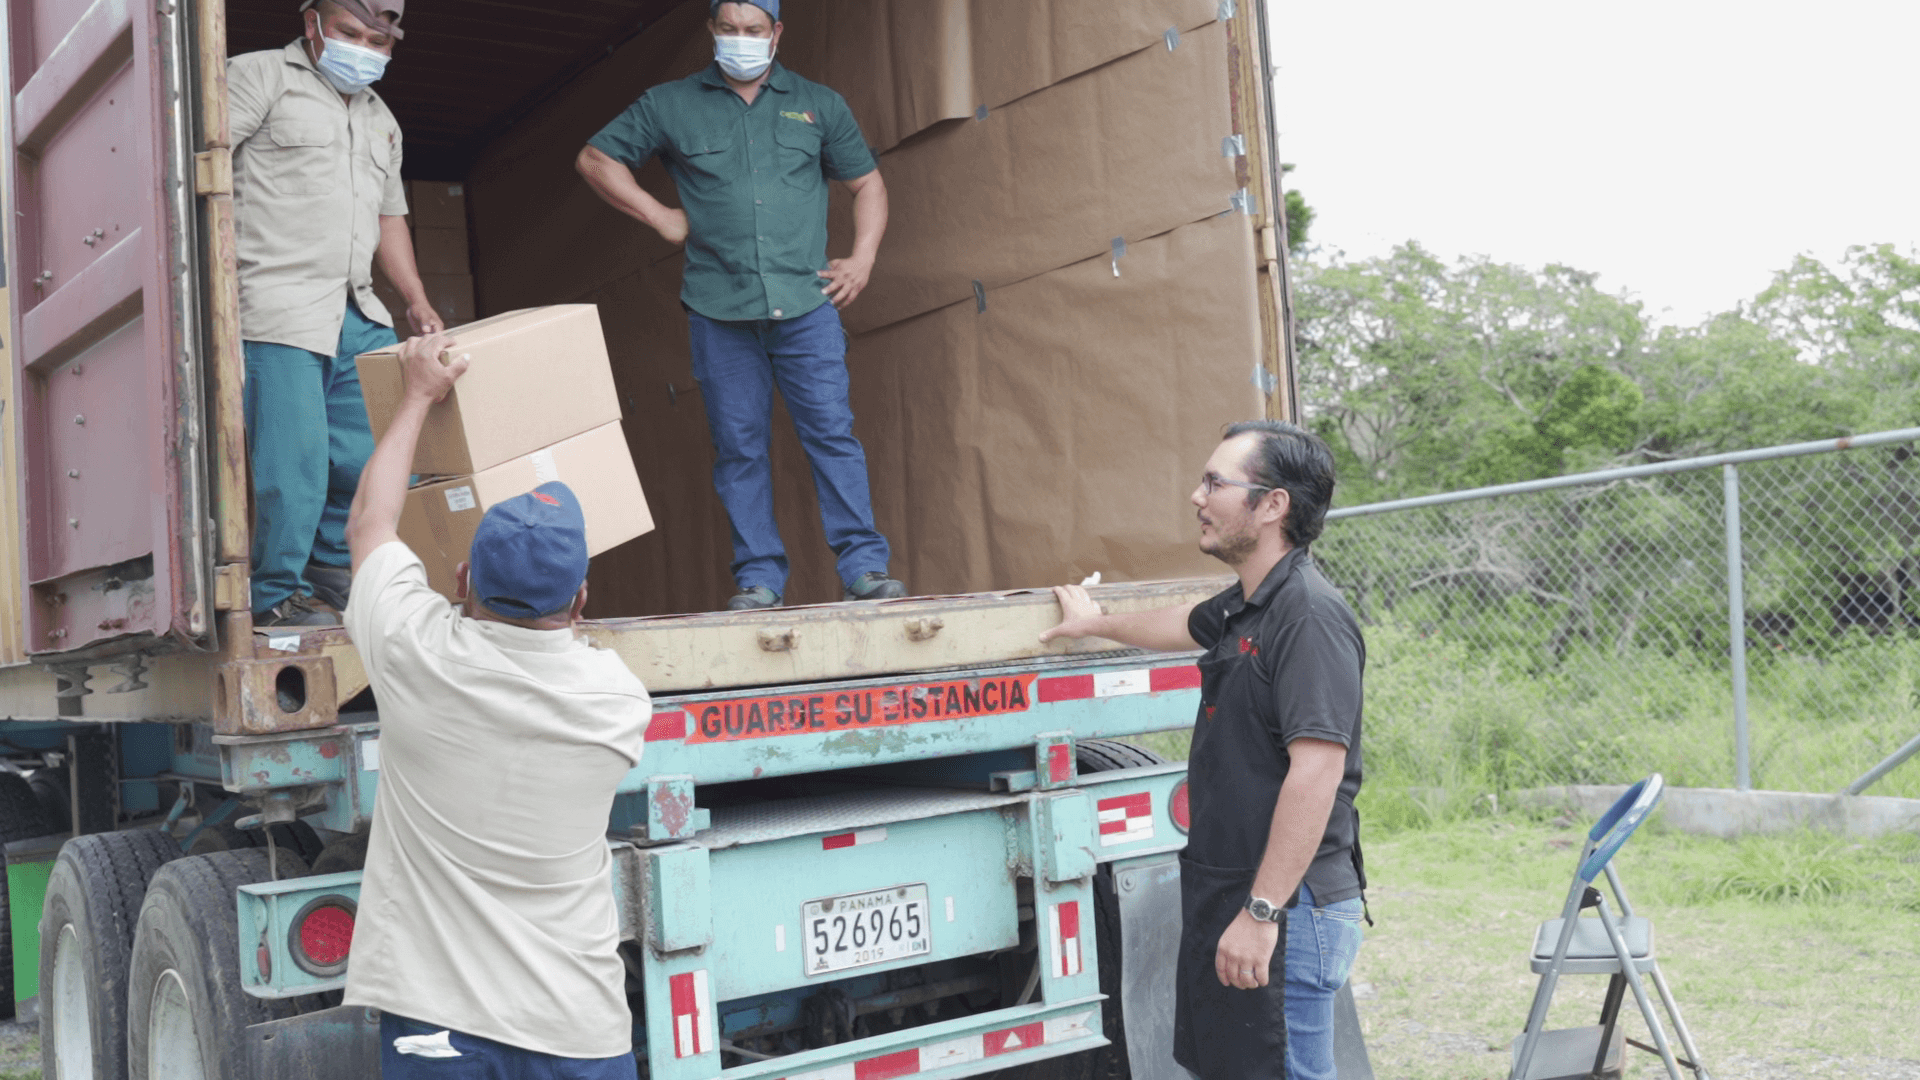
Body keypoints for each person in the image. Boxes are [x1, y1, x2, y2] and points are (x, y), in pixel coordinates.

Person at [341, 331, 651, 1075]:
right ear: (581, 601)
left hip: (439, 1027)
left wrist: (415, 396)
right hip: (579, 1030)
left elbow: (370, 527)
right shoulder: (616, 702)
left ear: (458, 580)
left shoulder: (416, 654)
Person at [1041, 421, 1367, 1080]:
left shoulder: (1308, 616)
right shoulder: (1251, 605)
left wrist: (1262, 912)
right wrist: (1095, 623)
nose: (1197, 495)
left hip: (1287, 908)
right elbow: (1184, 622)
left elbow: (1317, 772)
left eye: (1216, 482)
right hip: (1240, 895)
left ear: (1272, 505)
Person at [576, 0, 906, 611]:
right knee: (739, 446)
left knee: (832, 434)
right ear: (711, 31)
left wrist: (862, 258)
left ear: (777, 33)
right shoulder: (669, 103)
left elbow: (868, 183)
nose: (741, 40)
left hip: (805, 306)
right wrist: (661, 215)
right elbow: (596, 159)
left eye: (754, 30)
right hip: (718, 311)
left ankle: (864, 568)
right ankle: (759, 580)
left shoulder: (818, 103)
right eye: (729, 29)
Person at [230, 0, 445, 627]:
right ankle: (274, 595)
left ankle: (330, 567)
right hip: (278, 301)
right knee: (292, 463)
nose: (363, 48)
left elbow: (389, 216)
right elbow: (198, 174)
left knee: (370, 451)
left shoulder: (383, 120)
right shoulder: (258, 77)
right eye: (348, 33)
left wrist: (414, 298)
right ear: (311, 24)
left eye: (377, 40)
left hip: (356, 305)